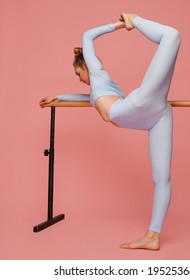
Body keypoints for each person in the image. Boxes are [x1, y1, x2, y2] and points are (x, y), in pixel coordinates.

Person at [40, 13, 180, 250]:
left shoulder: (95, 71)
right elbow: (89, 98)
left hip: (137, 107)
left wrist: (122, 24)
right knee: (160, 178)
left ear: (85, 66)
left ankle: (135, 18)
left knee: (172, 36)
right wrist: (60, 96)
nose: (79, 79)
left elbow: (87, 35)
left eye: (78, 74)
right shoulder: (100, 88)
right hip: (153, 116)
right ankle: (152, 237)